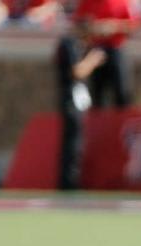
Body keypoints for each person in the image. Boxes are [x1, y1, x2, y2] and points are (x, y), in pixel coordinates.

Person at [55, 24, 107, 189]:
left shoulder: (75, 45)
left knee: (75, 142)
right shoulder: (69, 44)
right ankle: (69, 182)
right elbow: (77, 72)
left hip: (75, 98)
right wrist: (93, 60)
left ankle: (70, 181)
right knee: (73, 143)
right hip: (71, 98)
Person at [71, 0, 141, 108]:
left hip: (115, 49)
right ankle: (98, 123)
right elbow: (77, 24)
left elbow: (133, 25)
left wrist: (114, 26)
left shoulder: (123, 2)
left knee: (122, 93)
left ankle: (121, 123)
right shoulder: (87, 2)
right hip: (95, 50)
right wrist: (93, 27)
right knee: (96, 94)